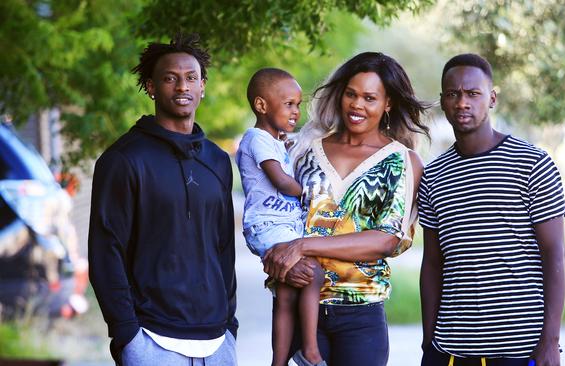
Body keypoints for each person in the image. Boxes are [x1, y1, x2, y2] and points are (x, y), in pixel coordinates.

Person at [263, 52, 430, 366]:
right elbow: (269, 211)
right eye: (351, 94)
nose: (357, 105)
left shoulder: (403, 161)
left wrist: (303, 245)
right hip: (298, 308)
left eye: (370, 98)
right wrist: (271, 255)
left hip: (361, 315)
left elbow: (387, 239)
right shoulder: (301, 149)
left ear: (388, 103)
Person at [88, 34, 238, 365]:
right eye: (170, 78)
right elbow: (106, 250)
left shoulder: (216, 160)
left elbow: (224, 246)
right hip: (152, 339)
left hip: (217, 342)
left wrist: (230, 324)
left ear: (203, 86)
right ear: (151, 86)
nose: (182, 87)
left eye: (190, 78)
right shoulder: (124, 159)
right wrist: (126, 333)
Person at [418, 53, 565, 366]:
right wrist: (428, 342)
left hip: (520, 347)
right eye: (453, 94)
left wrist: (550, 342)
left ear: (492, 98)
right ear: (442, 101)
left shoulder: (532, 164)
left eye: (473, 94)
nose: (462, 103)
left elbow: (555, 255)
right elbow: (432, 263)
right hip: (451, 348)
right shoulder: (433, 175)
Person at [236, 67, 326, 366]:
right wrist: (309, 194)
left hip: (281, 224)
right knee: (313, 275)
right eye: (289, 104)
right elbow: (280, 180)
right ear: (262, 106)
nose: (296, 112)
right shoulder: (257, 138)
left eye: (298, 105)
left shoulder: (276, 140)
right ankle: (310, 350)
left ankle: (280, 361)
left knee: (286, 295)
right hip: (268, 224)